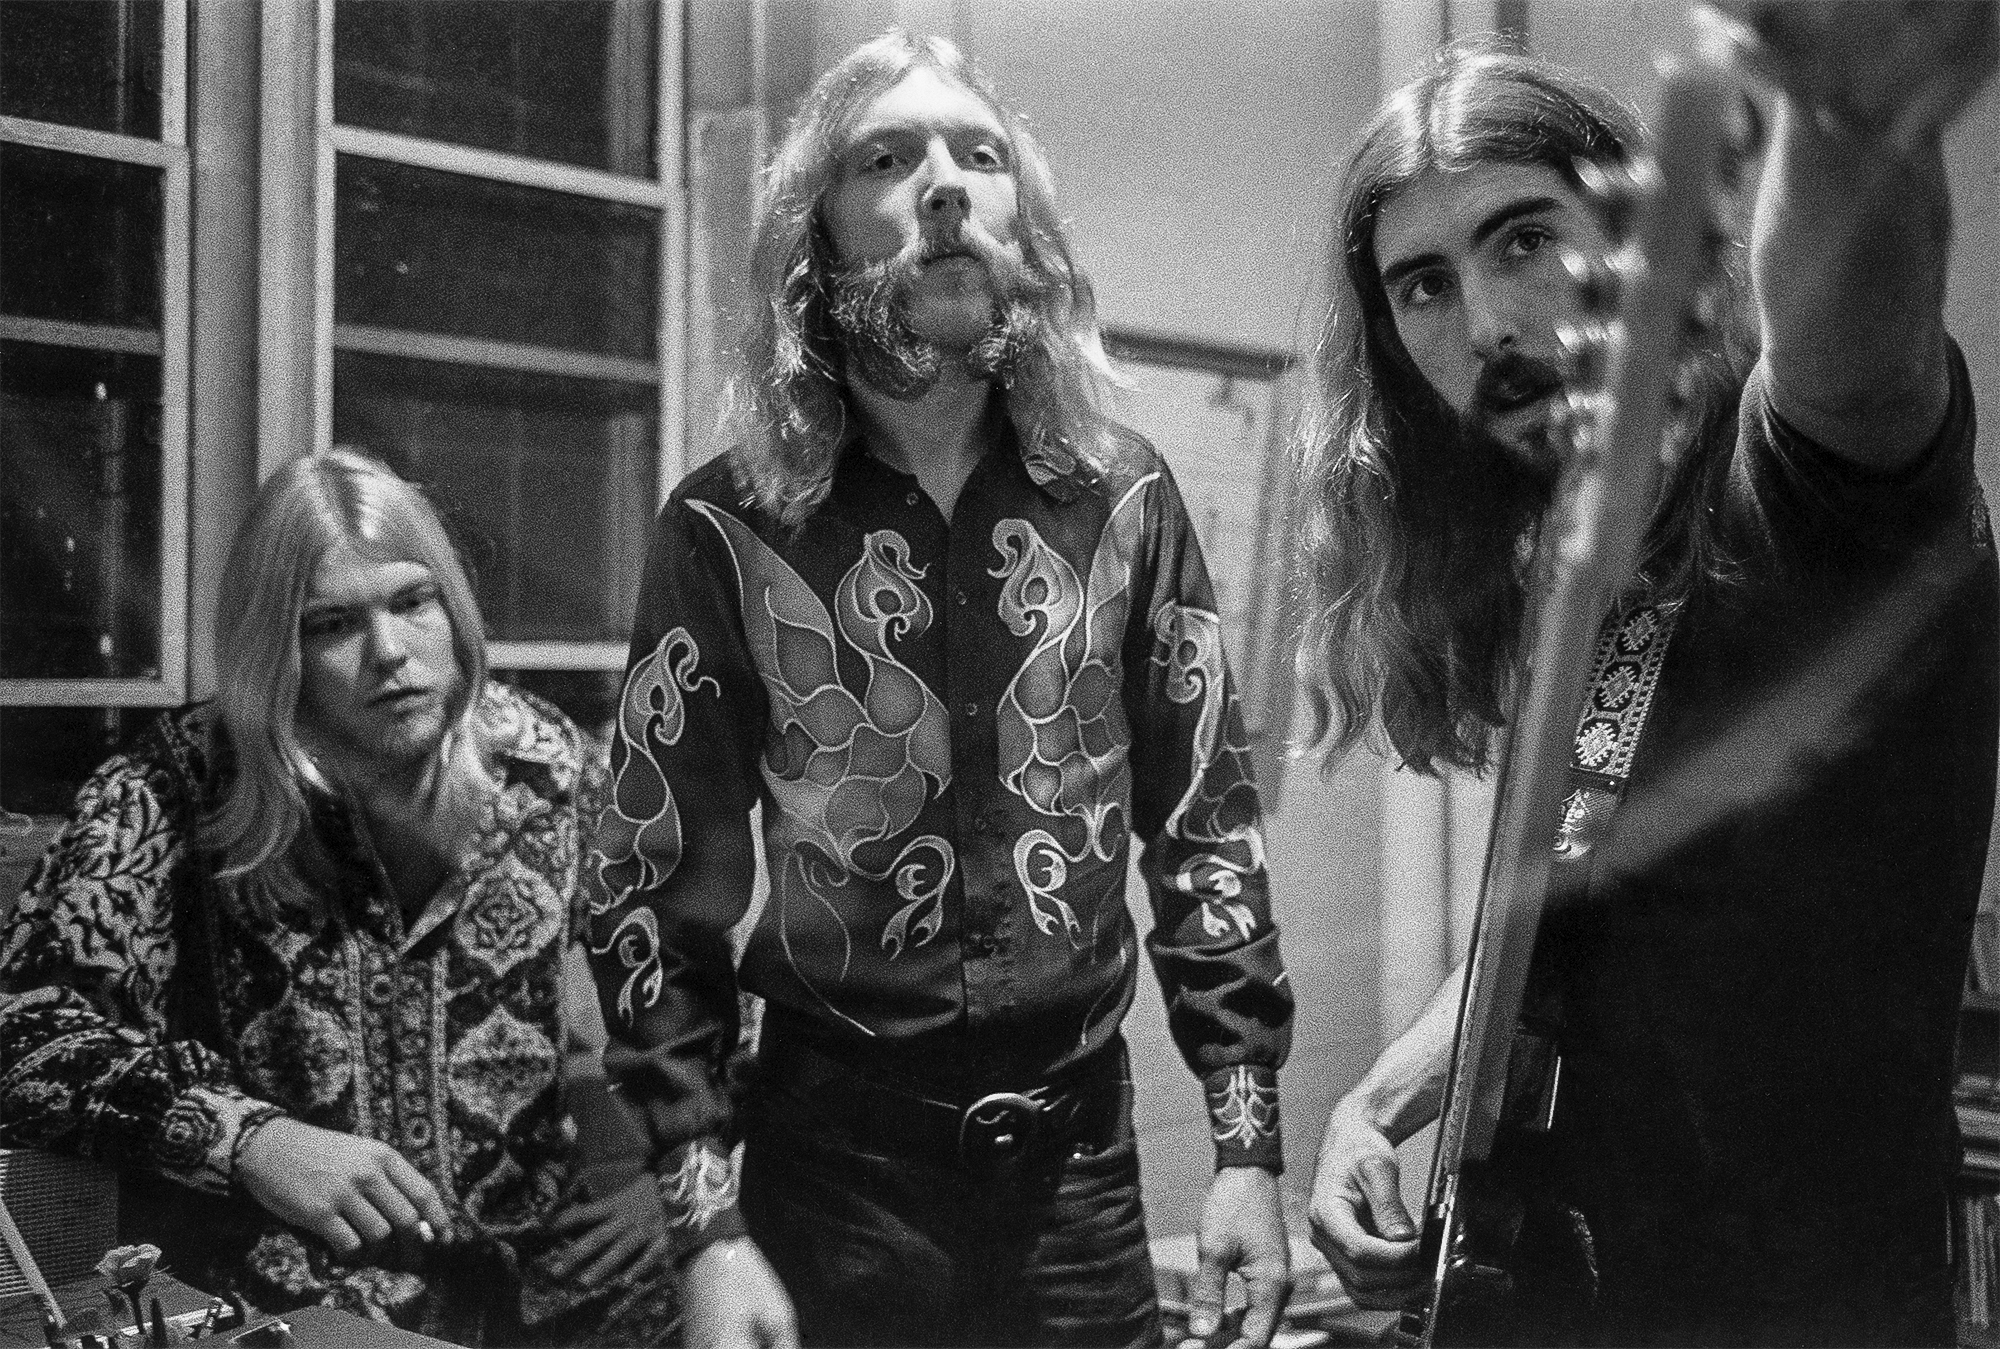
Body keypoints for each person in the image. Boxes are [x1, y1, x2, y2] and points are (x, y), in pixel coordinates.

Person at [1296, 4, 1999, 1345]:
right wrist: (1376, 1105)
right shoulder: (1570, 560)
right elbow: (1566, 922)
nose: (1489, 319)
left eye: (1524, 239)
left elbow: (1854, 357)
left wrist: (1850, 122)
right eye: (1424, 285)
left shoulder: (1790, 486)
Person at [587, 29, 1294, 1349]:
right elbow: (648, 883)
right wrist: (706, 1226)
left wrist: (1248, 1148)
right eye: (888, 157)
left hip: (1083, 1181)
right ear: (819, 235)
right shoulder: (727, 527)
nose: (945, 185)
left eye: (979, 154)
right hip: (829, 1181)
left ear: (1028, 222)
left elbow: (1208, 823)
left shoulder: (1127, 496)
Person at [0, 448, 678, 1346]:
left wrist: (677, 1188)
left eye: (412, 601)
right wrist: (249, 1139)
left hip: (541, 1300)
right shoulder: (170, 790)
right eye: (331, 624)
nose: (390, 653)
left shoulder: (553, 767)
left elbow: (702, 991)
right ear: (274, 650)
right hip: (286, 1309)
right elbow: (25, 1032)